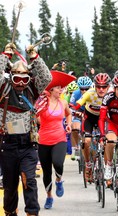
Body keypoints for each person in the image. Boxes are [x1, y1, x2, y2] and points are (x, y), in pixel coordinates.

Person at [0, 43, 52, 216]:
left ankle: (32, 212)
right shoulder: (3, 87)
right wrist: (5, 56)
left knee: (29, 180)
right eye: (17, 79)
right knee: (9, 185)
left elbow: (46, 77)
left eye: (25, 79)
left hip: (28, 143)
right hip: (7, 144)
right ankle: (10, 211)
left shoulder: (32, 89)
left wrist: (34, 57)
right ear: (10, 77)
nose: (21, 83)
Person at [35, 71, 75, 209]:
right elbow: (35, 117)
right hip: (44, 140)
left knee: (58, 163)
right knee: (46, 172)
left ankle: (59, 180)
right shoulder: (43, 103)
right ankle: (49, 196)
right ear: (51, 90)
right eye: (58, 88)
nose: (61, 90)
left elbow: (69, 114)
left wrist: (69, 124)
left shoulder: (63, 103)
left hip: (60, 138)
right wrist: (39, 106)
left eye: (61, 88)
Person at [71, 73, 111, 182]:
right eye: (98, 87)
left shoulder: (111, 94)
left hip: (103, 119)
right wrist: (74, 110)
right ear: (95, 86)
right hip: (89, 118)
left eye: (104, 87)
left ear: (108, 86)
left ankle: (108, 168)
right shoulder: (90, 93)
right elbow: (78, 104)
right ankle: (88, 164)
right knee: (87, 141)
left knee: (108, 142)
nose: (101, 89)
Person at [98, 73, 118, 183]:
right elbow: (101, 118)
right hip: (113, 125)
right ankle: (109, 164)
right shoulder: (108, 97)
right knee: (110, 141)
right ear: (114, 88)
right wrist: (102, 134)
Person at [69, 76, 92, 161]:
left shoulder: (94, 93)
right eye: (82, 89)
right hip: (79, 112)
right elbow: (71, 105)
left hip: (90, 113)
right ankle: (75, 149)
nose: (84, 91)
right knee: (75, 128)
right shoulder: (75, 93)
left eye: (86, 89)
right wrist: (74, 111)